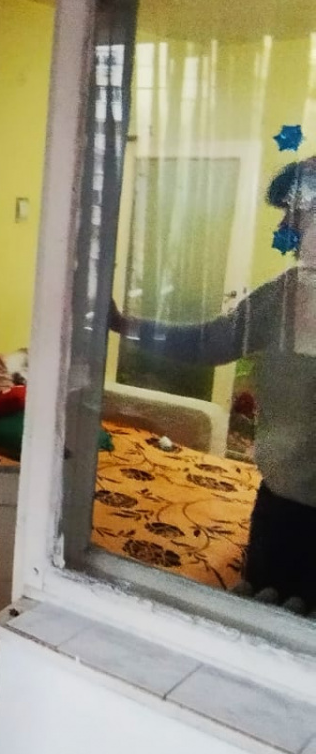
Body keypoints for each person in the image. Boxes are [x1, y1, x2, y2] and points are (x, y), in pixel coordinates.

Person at [112, 156, 316, 609]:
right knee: (257, 618)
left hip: (293, 507)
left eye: (294, 213)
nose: (283, 226)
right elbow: (208, 343)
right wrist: (126, 325)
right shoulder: (284, 296)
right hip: (279, 505)